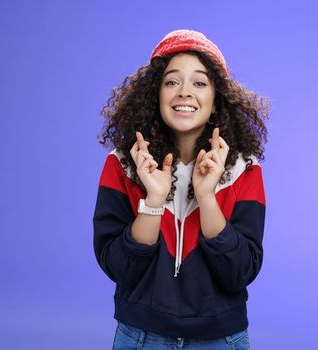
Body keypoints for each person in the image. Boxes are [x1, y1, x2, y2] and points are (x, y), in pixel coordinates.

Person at [93, 29, 269, 349]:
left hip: (221, 339)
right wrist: (154, 200)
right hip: (140, 337)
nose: (185, 92)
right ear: (154, 94)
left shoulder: (246, 169)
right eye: (172, 81)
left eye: (199, 83)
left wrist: (206, 197)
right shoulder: (122, 164)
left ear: (216, 100)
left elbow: (240, 272)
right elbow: (119, 267)